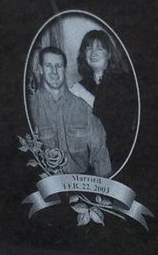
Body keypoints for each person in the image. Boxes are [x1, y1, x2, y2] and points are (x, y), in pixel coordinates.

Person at [28, 47, 109, 177]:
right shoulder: (30, 109)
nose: (54, 71)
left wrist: (104, 193)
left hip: (81, 188)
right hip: (44, 192)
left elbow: (100, 156)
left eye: (59, 66)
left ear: (64, 69)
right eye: (49, 65)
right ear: (41, 69)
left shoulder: (84, 109)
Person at [69, 28, 135, 168]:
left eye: (99, 48)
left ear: (109, 54)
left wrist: (83, 94)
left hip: (120, 156)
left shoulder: (124, 81)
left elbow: (114, 119)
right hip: (91, 159)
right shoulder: (82, 85)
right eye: (88, 48)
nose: (93, 53)